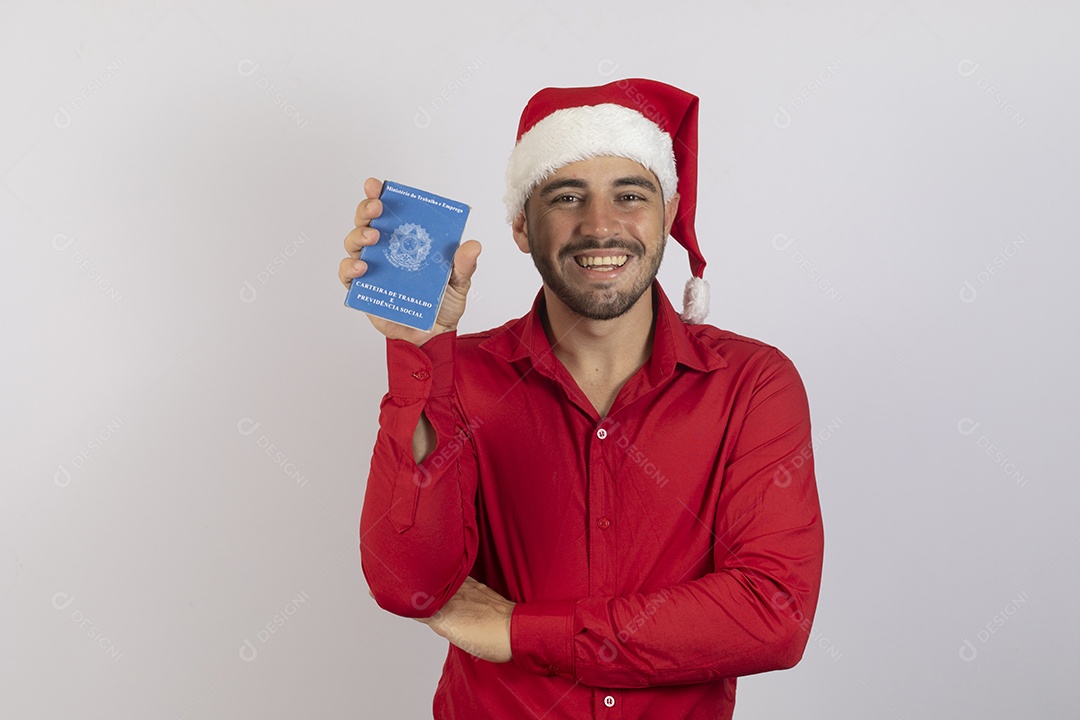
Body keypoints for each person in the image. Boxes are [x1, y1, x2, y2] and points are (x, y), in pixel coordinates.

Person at [338, 78, 824, 719]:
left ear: (668, 214)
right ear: (520, 226)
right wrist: (420, 355)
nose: (601, 225)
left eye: (630, 195)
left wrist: (520, 631)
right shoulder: (464, 374)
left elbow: (773, 612)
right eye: (567, 196)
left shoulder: (753, 384)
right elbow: (410, 583)